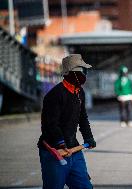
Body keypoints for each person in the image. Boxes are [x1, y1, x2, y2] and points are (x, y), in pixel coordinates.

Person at [37, 54, 96, 189]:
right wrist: (61, 144)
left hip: (74, 150)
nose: (84, 74)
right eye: (81, 71)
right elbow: (50, 124)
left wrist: (88, 137)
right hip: (54, 152)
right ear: (70, 73)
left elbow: (83, 117)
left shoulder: (79, 92)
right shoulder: (55, 95)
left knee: (85, 186)